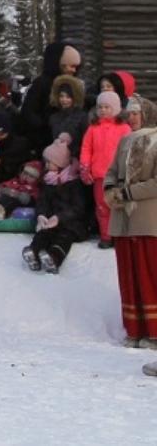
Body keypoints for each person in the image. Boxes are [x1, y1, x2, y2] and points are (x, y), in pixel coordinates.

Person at [102, 111, 157, 350]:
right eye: (129, 114)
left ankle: (154, 332)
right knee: (129, 275)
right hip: (123, 217)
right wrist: (111, 189)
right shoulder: (125, 140)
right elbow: (112, 170)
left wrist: (128, 193)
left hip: (147, 218)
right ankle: (134, 330)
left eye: (136, 113)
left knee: (149, 275)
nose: (131, 118)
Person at [23, 136, 92, 273]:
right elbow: (42, 201)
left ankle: (54, 257)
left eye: (49, 162)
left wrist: (59, 217)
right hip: (51, 220)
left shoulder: (74, 183)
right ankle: (34, 252)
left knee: (64, 237)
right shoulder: (48, 181)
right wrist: (41, 215)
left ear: (60, 164)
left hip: (72, 223)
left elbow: (78, 208)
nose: (46, 165)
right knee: (43, 233)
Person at [81, 90, 133, 247]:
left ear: (116, 108)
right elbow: (86, 148)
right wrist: (85, 167)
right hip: (99, 176)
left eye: (107, 107)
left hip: (118, 176)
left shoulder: (124, 128)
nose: (103, 110)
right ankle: (106, 236)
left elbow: (129, 149)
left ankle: (120, 236)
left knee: (119, 206)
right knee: (102, 207)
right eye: (100, 107)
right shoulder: (93, 128)